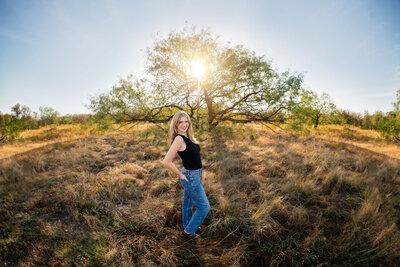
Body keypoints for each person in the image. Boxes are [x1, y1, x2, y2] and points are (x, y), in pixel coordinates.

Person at [162, 111, 210, 239]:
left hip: (195, 174)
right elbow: (166, 161)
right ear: (176, 125)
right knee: (204, 207)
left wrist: (201, 174)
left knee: (188, 204)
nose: (184, 125)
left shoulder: (188, 136)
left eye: (186, 121)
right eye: (180, 122)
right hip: (189, 177)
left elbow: (196, 158)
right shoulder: (179, 138)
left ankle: (188, 224)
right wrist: (180, 175)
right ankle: (189, 231)